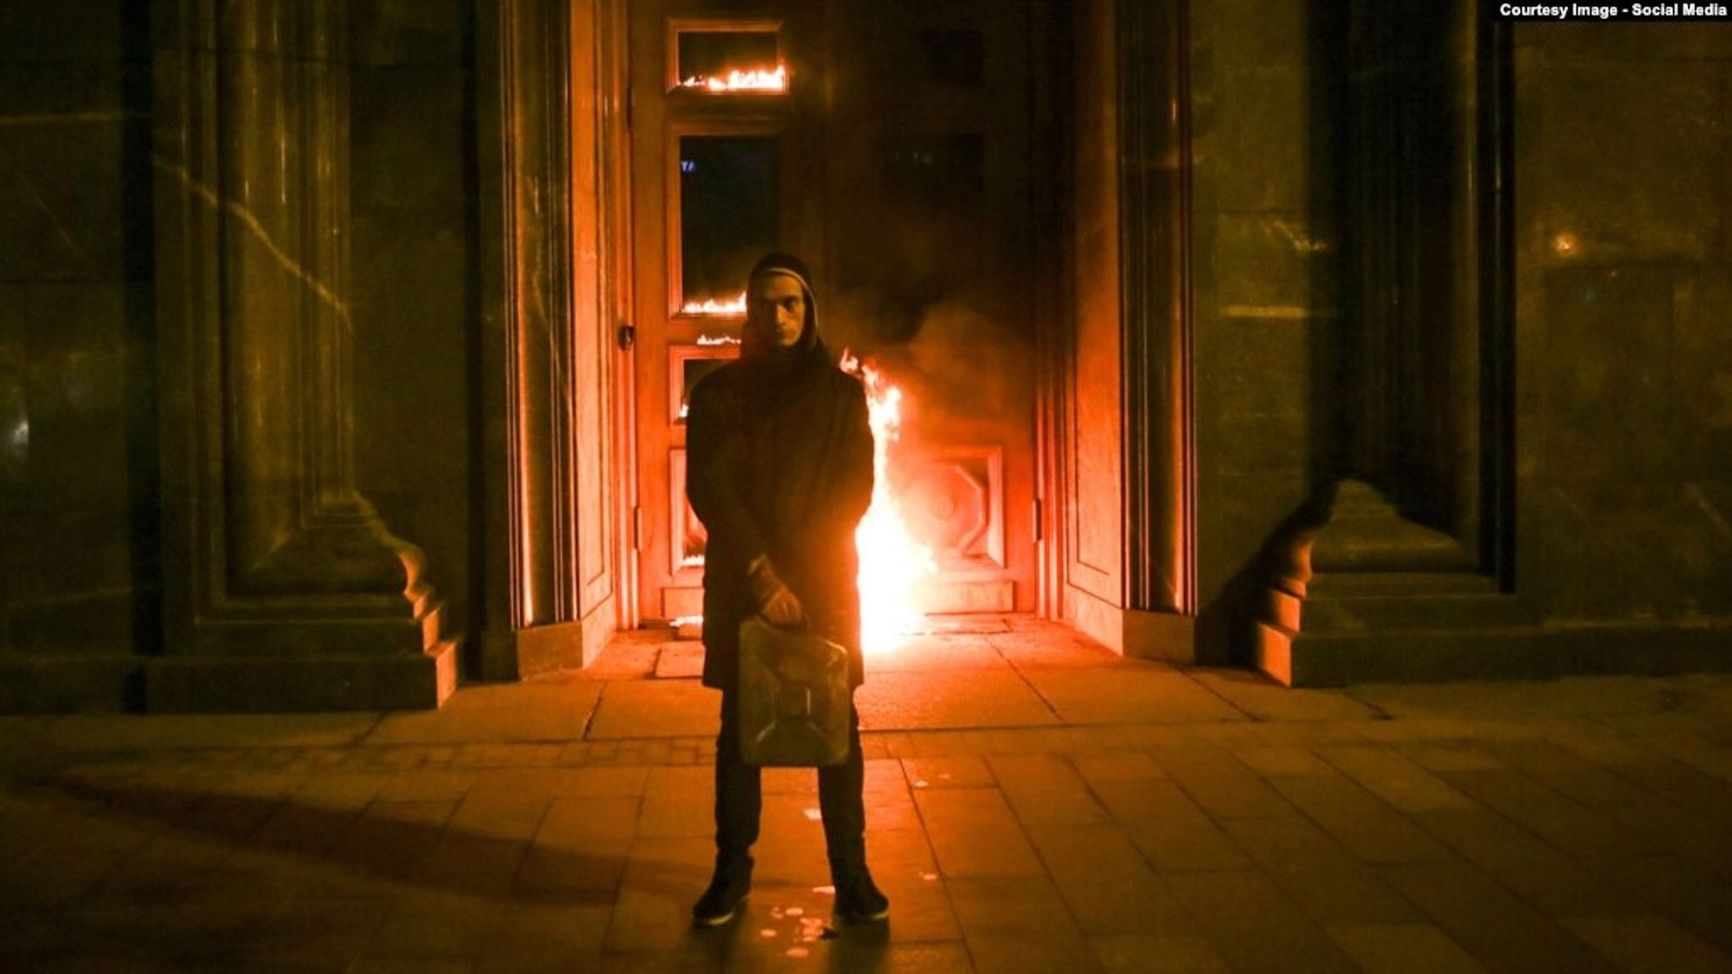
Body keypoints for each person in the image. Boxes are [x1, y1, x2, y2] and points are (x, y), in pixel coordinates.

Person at [684, 251, 888, 928]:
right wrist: (763, 575)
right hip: (747, 586)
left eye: (791, 303)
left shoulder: (841, 396)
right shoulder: (718, 395)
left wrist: (803, 574)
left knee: (836, 731)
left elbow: (853, 489)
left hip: (824, 583)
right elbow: (711, 487)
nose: (779, 317)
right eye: (766, 304)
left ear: (809, 311)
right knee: (740, 735)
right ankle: (731, 873)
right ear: (749, 312)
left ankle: (852, 878)